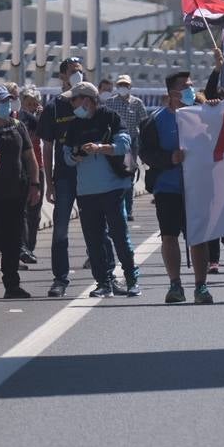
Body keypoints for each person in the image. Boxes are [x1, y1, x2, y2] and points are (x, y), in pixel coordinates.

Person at [140, 70, 217, 303]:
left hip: (197, 187)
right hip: (168, 188)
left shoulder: (204, 114)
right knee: (169, 237)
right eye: (185, 86)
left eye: (192, 86)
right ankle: (175, 285)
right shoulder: (154, 120)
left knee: (198, 238)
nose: (190, 90)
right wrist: (168, 159)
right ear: (172, 92)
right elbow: (146, 153)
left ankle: (201, 286)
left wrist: (217, 108)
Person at [38, 57, 110, 298]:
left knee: (99, 228)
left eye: (80, 71)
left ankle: (107, 276)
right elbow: (46, 148)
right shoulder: (54, 108)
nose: (77, 75)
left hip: (92, 176)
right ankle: (60, 278)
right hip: (65, 177)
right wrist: (48, 181)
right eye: (72, 72)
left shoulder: (91, 103)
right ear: (62, 76)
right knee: (60, 230)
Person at [63, 81, 140, 298]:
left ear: (87, 99)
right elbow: (66, 157)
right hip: (86, 191)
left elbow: (124, 144)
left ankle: (132, 278)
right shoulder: (74, 125)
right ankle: (103, 282)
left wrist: (100, 148)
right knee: (94, 240)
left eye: (74, 99)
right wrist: (76, 155)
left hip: (113, 188)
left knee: (119, 235)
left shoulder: (110, 117)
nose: (72, 104)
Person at [0, 86, 41, 299]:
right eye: (1, 101)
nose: (6, 105)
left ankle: (12, 285)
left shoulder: (17, 126)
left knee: (13, 242)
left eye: (8, 101)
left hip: (15, 194)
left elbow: (30, 158)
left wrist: (35, 185)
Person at [103, 74, 149, 223]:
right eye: (120, 85)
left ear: (130, 87)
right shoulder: (110, 103)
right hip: (114, 145)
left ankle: (128, 210)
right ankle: (114, 209)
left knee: (128, 176)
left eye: (126, 85)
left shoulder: (137, 103)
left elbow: (144, 123)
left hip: (131, 145)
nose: (123, 88)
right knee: (113, 175)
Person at [16, 87, 44, 265]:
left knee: (35, 211)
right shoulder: (17, 119)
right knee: (22, 211)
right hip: (21, 167)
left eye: (34, 104)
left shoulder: (38, 120)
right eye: (28, 104)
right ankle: (22, 247)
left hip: (37, 166)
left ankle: (30, 246)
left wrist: (41, 118)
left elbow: (45, 136)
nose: (32, 107)